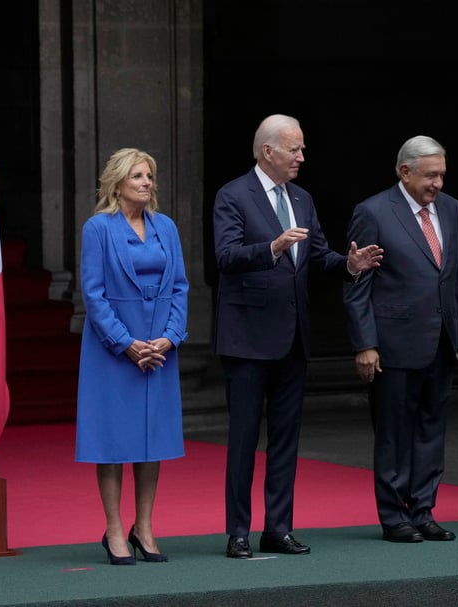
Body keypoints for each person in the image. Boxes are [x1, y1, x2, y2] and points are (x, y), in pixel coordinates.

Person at [213, 114, 383, 559]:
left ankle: (278, 528)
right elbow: (226, 257)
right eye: (294, 149)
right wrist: (272, 248)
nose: (302, 157)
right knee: (245, 439)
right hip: (248, 340)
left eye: (303, 148)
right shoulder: (233, 195)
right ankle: (237, 531)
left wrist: (349, 265)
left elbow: (318, 256)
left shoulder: (302, 199)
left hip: (293, 339)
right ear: (267, 151)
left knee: (286, 441)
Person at [343, 135, 458, 543]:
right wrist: (365, 343)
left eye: (442, 175)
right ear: (404, 171)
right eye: (430, 176)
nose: (438, 184)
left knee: (432, 430)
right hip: (392, 345)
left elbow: (453, 278)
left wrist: (457, 330)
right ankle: (395, 516)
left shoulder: (452, 210)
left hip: (441, 340)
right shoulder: (373, 212)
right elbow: (358, 285)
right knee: (394, 432)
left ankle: (424, 510)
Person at [75, 148, 189, 564]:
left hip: (159, 349)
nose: (147, 182)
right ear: (118, 183)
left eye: (150, 176)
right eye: (138, 176)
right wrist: (126, 344)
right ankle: (115, 529)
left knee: (150, 439)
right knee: (113, 441)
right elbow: (94, 294)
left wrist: (170, 337)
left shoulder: (167, 228)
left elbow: (179, 286)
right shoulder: (98, 228)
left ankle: (144, 526)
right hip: (112, 350)